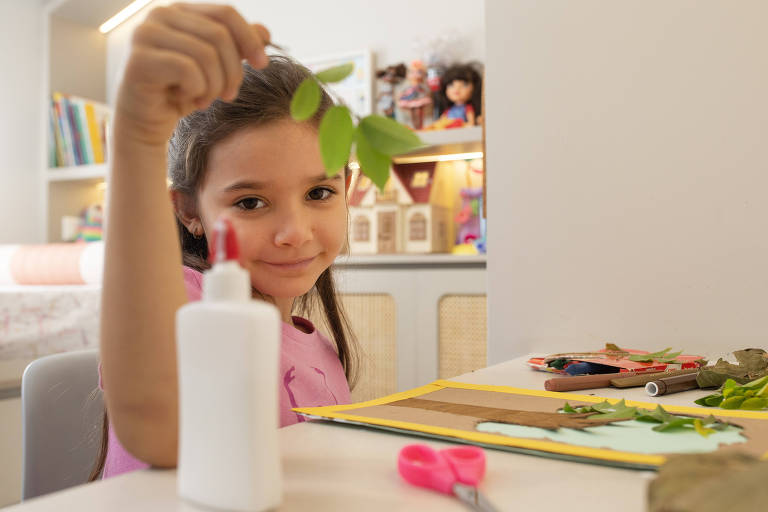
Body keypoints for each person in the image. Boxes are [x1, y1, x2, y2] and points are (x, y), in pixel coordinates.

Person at [91, 3, 359, 480]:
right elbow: (164, 430)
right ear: (190, 212)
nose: (295, 232)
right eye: (250, 202)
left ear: (348, 190)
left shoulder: (319, 349)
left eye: (319, 192)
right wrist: (137, 138)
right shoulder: (188, 307)